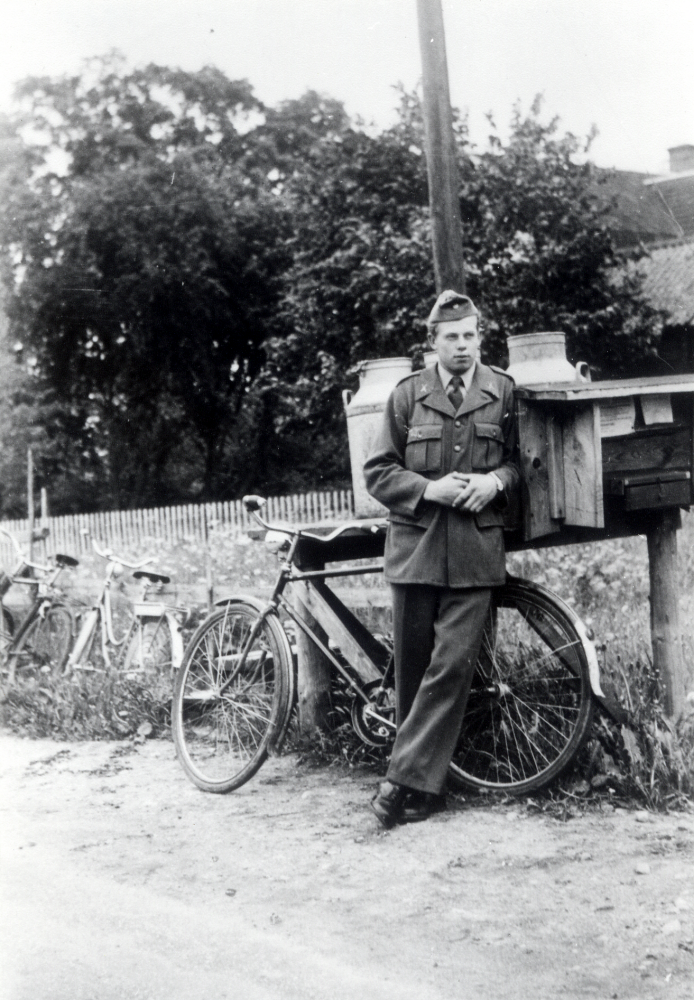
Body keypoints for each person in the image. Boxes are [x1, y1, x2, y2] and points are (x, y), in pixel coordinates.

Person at [363, 289, 519, 827]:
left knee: (451, 670)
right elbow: (378, 472)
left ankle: (396, 782)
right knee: (412, 675)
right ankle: (427, 792)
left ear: (480, 338)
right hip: (416, 551)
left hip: (476, 552)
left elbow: (523, 463)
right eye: (451, 337)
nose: (462, 346)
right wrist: (429, 490)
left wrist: (495, 481)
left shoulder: (502, 391)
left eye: (470, 335)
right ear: (433, 342)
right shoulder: (407, 396)